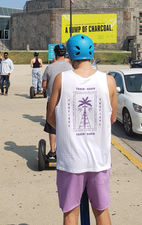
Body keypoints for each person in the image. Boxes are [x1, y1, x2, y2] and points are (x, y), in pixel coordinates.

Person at [47, 34, 117, 225]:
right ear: (92, 53)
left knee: (70, 212)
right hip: (99, 160)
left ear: (69, 55)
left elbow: (51, 118)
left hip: (71, 161)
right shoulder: (108, 80)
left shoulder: (62, 79)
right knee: (101, 211)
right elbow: (112, 118)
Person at [41, 44, 73, 160]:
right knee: (66, 125)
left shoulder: (50, 67)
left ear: (55, 54)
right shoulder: (70, 67)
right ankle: (64, 150)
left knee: (52, 126)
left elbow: (44, 85)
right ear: (65, 54)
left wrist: (50, 89)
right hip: (67, 101)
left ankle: (53, 151)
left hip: (52, 101)